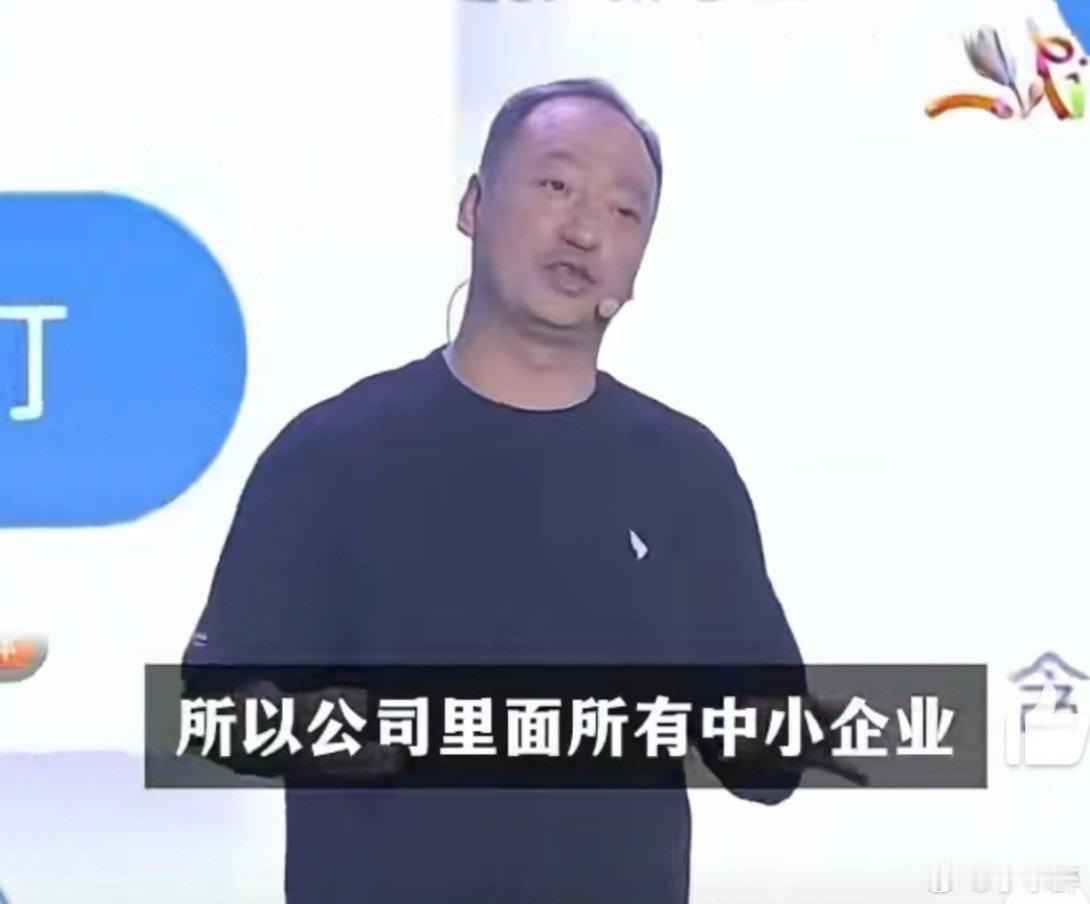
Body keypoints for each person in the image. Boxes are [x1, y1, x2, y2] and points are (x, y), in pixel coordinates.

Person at [183, 77, 806, 903]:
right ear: (473, 206)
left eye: (625, 211)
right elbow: (216, 707)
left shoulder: (686, 474)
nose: (585, 230)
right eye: (556, 184)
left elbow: (771, 764)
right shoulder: (333, 453)